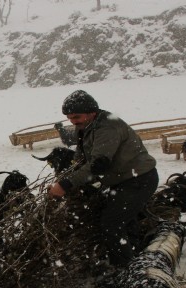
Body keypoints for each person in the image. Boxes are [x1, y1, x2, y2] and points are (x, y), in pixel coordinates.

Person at [48, 90, 159, 267]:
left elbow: (98, 165)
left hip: (138, 179)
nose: (73, 121)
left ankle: (123, 270)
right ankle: (134, 259)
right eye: (69, 118)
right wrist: (72, 170)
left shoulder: (107, 128)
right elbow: (82, 155)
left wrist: (66, 184)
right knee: (125, 220)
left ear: (92, 111)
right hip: (122, 179)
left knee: (112, 224)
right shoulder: (86, 125)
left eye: (76, 117)